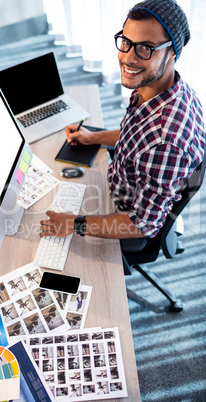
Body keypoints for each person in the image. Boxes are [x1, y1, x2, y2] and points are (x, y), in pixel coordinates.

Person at [40, 0, 205, 246]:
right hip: (120, 180)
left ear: (172, 52)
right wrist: (93, 137)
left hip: (124, 218)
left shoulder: (166, 141)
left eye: (146, 48)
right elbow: (138, 136)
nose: (128, 58)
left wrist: (74, 224)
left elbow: (142, 224)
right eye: (126, 42)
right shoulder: (160, 88)